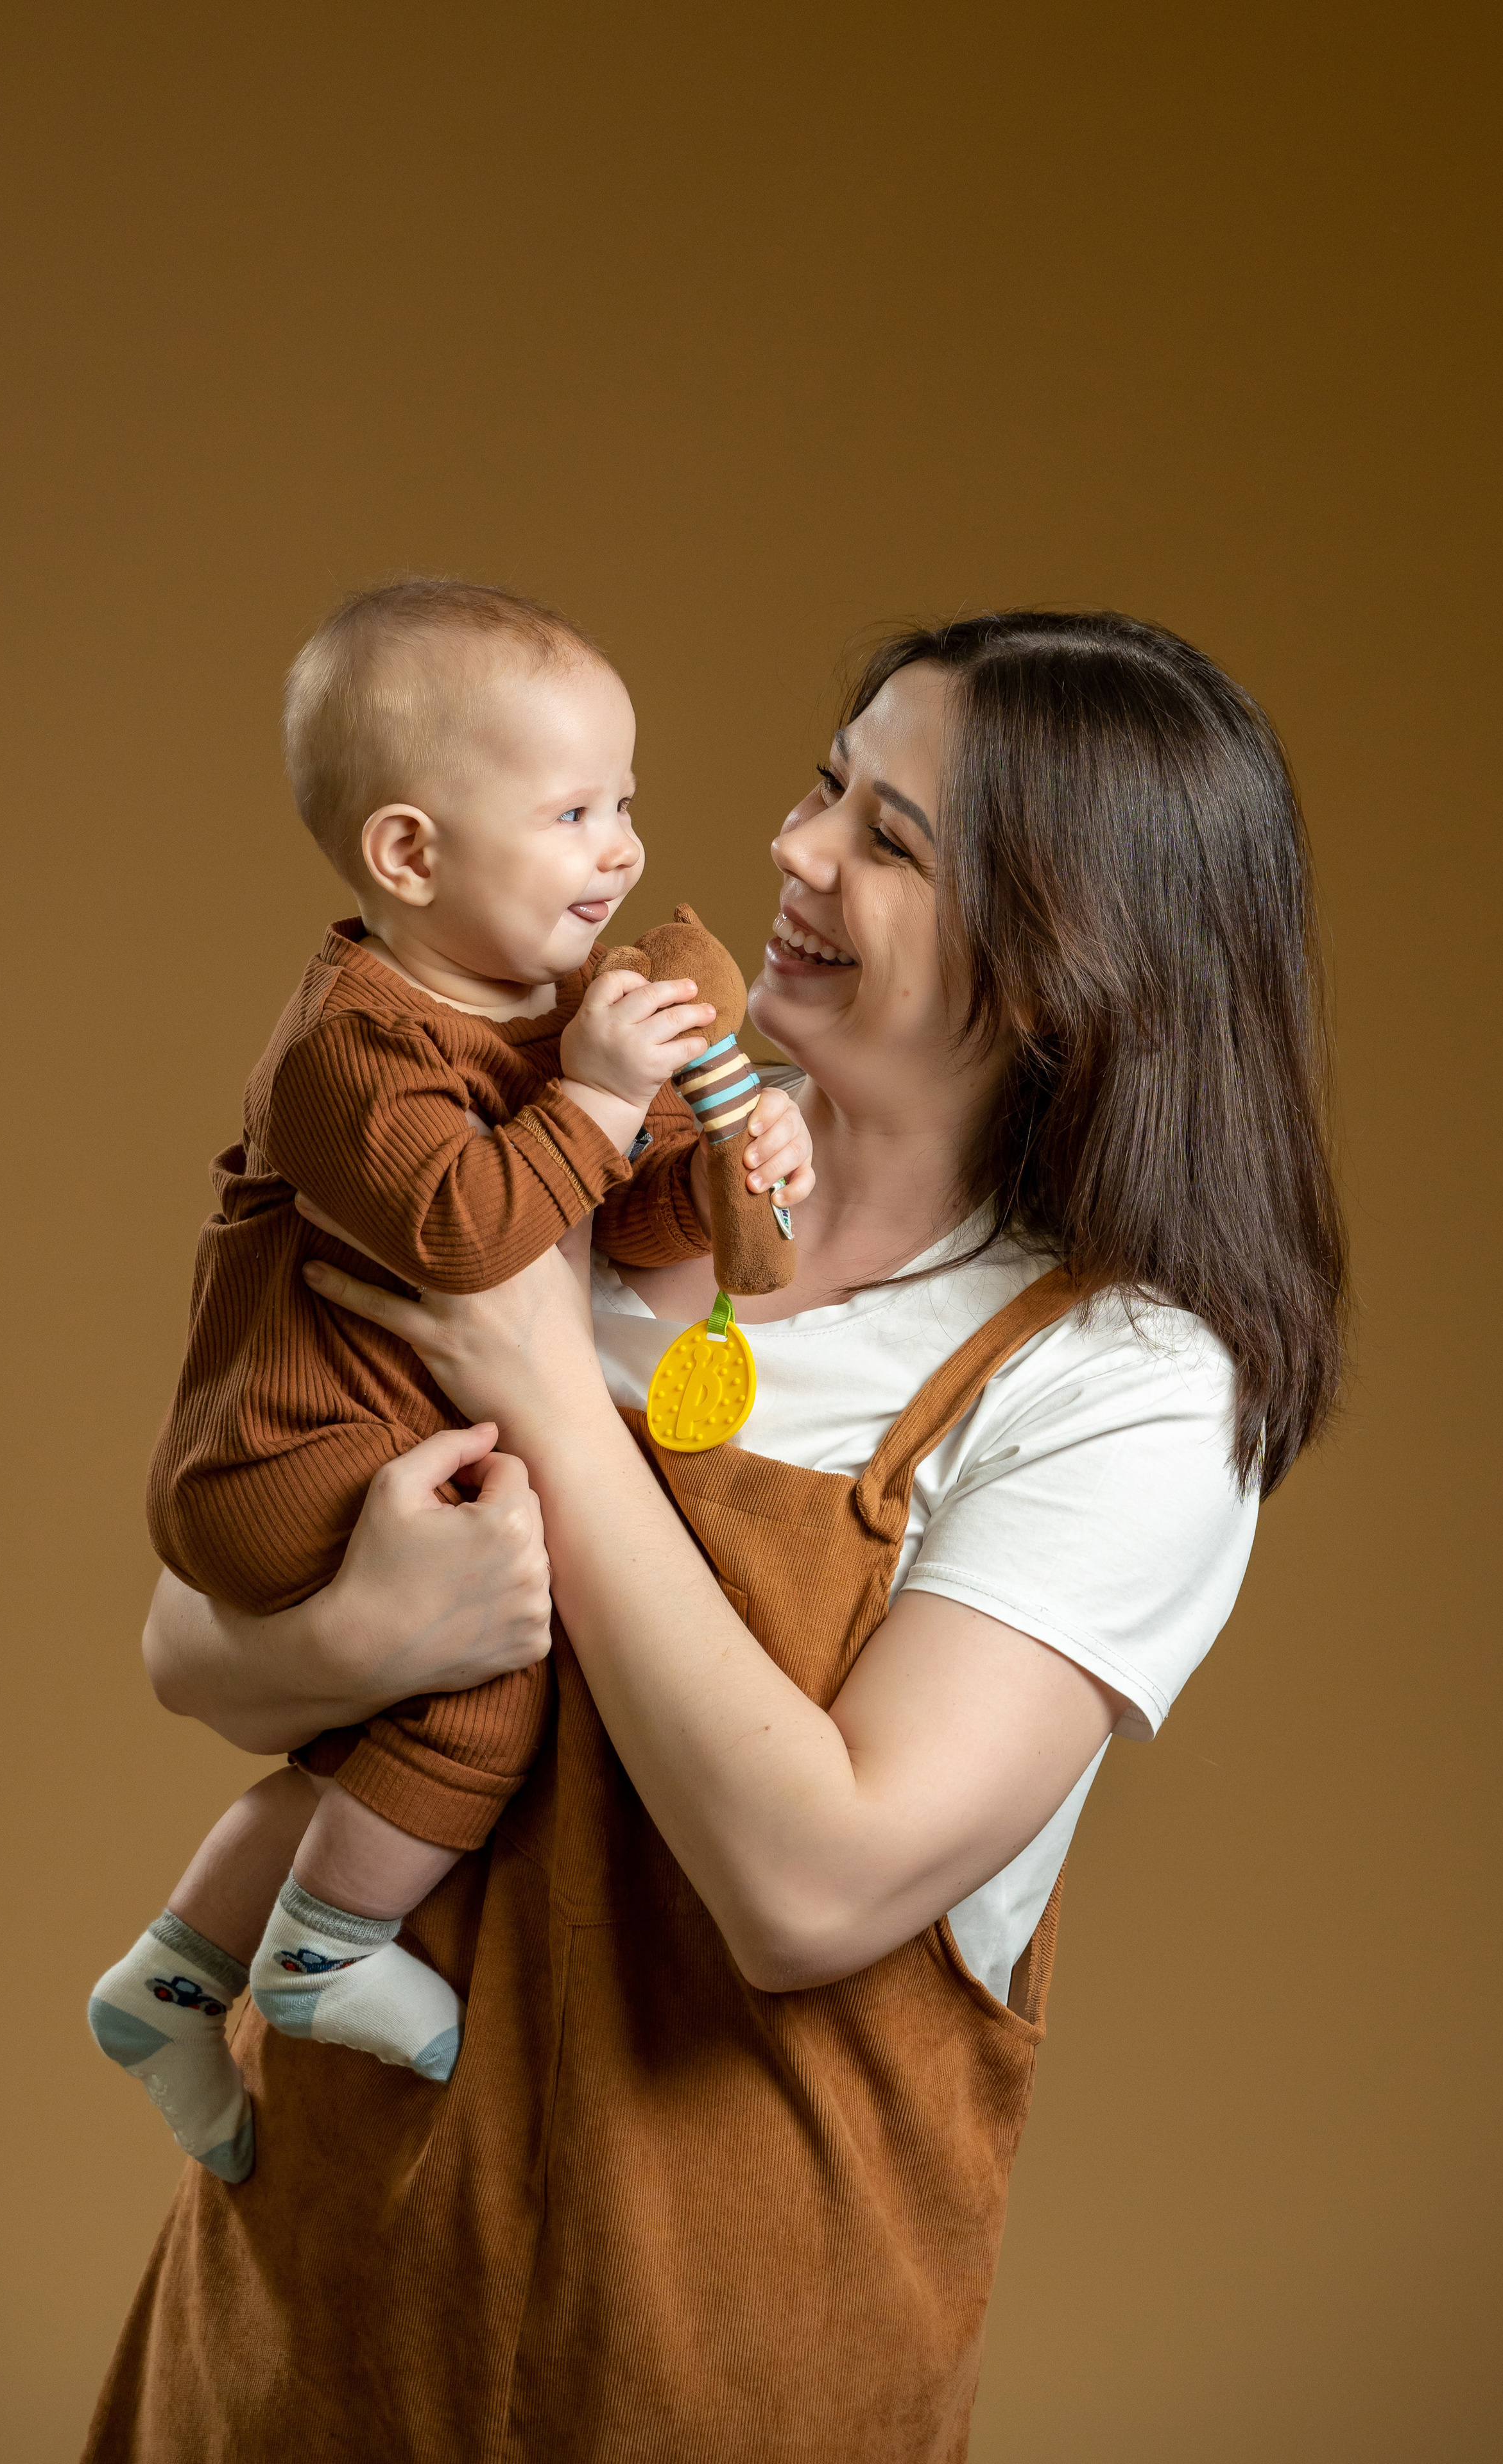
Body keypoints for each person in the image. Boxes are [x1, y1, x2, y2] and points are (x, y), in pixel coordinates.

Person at [84, 610, 1346, 2464]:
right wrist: (374, 1635)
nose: (792, 849)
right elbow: (190, 1642)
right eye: (829, 785)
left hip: (707, 2376)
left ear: (1070, 957)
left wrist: (530, 1379)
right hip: (305, 2310)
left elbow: (814, 1886)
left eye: (890, 837)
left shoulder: (1127, 1383)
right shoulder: (610, 1148)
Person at [86, 575, 814, 2180]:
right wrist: (608, 1098)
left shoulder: (542, 1009)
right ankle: (325, 1951)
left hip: (371, 1438)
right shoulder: (349, 1048)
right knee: (494, 1673)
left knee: (367, 1741)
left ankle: (173, 1980)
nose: (619, 850)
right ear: (409, 855)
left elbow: (602, 1222)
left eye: (624, 802)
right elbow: (473, 1230)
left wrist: (706, 1156)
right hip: (280, 1455)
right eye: (569, 812)